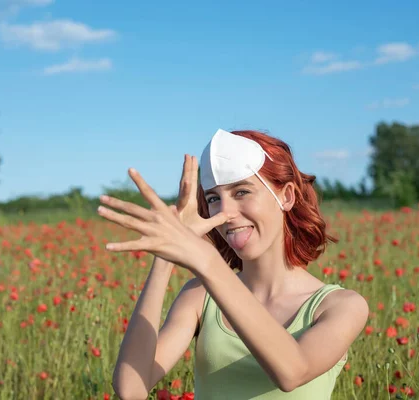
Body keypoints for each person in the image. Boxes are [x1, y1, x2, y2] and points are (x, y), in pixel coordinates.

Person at [98, 129, 369, 400]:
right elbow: (131, 389)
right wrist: (164, 255)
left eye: (241, 191)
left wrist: (206, 260)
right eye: (214, 198)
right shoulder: (199, 297)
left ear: (286, 196)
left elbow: (292, 372)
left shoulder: (341, 306)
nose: (225, 213)